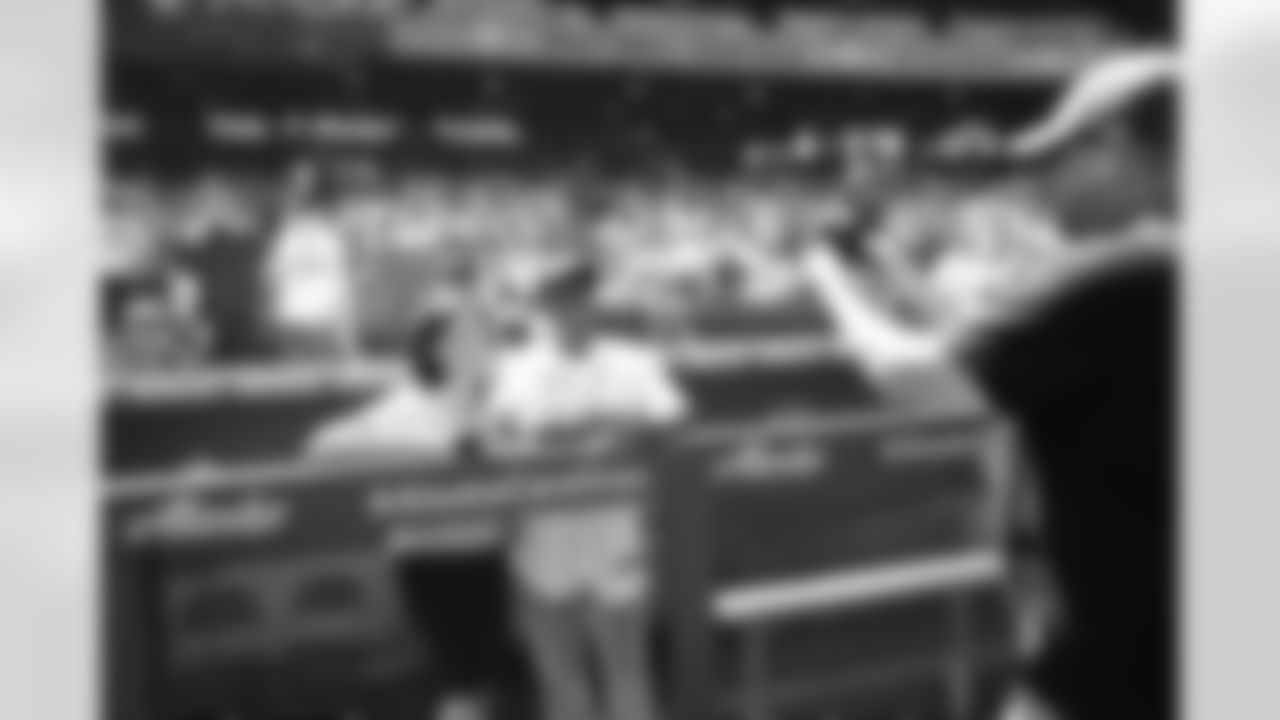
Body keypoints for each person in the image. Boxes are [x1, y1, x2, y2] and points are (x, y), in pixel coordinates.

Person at [789, 50, 1177, 720]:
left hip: (1115, 678)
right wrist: (878, 256)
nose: (1040, 184)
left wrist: (824, 275)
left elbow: (919, 379)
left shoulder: (1129, 263)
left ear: (1112, 144)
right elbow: (1008, 340)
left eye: (1054, 158)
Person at [482, 261, 690, 720]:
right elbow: (496, 437)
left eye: (580, 295)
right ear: (541, 306)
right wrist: (592, 428)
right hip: (543, 535)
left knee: (628, 668)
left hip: (616, 530)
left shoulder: (633, 362)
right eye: (558, 297)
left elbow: (672, 418)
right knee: (559, 672)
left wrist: (614, 434)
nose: (572, 307)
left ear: (593, 302)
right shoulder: (515, 368)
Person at [308, 315, 511, 720]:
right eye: (471, 341)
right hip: (430, 557)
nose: (485, 351)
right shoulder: (405, 405)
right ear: (439, 351)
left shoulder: (486, 404)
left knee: (483, 679)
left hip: (485, 551)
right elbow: (323, 447)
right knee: (462, 682)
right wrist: (435, 459)